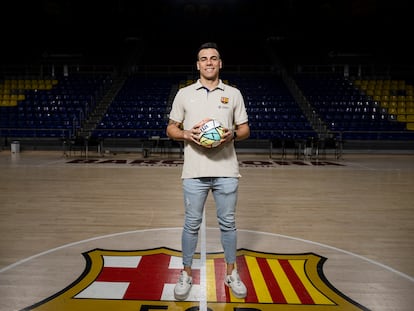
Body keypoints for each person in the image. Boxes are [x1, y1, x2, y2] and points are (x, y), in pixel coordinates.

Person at [166, 42, 250, 300]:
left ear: (220, 63)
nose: (209, 63)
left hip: (226, 170)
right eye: (204, 59)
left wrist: (232, 135)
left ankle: (231, 272)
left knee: (228, 224)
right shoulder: (184, 94)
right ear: (198, 65)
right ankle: (186, 273)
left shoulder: (233, 93)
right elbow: (171, 128)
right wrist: (187, 134)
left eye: (214, 58)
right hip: (194, 172)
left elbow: (245, 129)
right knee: (191, 224)